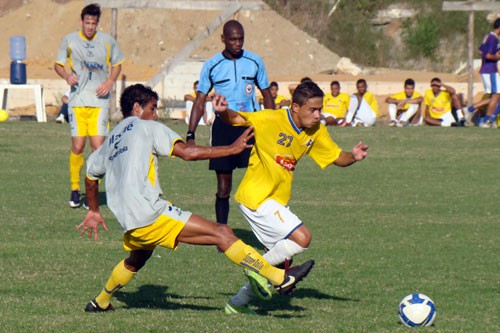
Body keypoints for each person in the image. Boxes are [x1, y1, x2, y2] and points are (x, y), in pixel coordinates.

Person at [77, 84, 312, 313]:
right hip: (150, 213)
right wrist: (230, 149)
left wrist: (94, 211)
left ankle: (101, 301)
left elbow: (90, 176)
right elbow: (186, 152)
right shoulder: (146, 126)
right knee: (222, 233)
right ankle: (280, 277)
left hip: (129, 220)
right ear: (137, 108)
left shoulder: (111, 139)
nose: (156, 115)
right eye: (153, 108)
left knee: (137, 258)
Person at [212, 81, 368, 314]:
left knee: (283, 261)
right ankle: (258, 269)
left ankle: (236, 305)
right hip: (257, 197)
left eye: (320, 109)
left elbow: (337, 157)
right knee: (302, 238)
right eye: (312, 110)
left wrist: (353, 156)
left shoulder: (315, 131)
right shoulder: (271, 119)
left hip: (274, 201)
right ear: (295, 107)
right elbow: (236, 119)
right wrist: (223, 111)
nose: (318, 115)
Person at [186, 20, 275, 225]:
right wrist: (190, 134)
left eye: (241, 39)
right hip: (224, 128)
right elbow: (200, 101)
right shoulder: (212, 65)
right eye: (233, 39)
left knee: (263, 180)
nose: (238, 43)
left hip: (250, 125)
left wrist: (271, 124)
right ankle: (221, 231)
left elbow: (267, 94)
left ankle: (268, 230)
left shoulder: (255, 61)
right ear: (223, 39)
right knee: (224, 187)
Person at [55, 3, 124, 208]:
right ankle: (75, 189)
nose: (90, 27)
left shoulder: (108, 42)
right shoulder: (70, 40)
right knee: (78, 146)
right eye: (87, 23)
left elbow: (117, 63)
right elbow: (58, 64)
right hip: (78, 102)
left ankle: (91, 192)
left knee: (98, 148)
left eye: (94, 23)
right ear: (81, 21)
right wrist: (67, 75)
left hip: (100, 102)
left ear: (97, 24)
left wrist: (110, 81)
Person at [469, 18, 500, 128]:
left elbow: (480, 51)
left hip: (485, 69)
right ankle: (487, 120)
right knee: (496, 95)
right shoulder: (494, 39)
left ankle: (471, 109)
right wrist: (497, 56)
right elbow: (487, 55)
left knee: (494, 96)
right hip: (490, 70)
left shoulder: (487, 36)